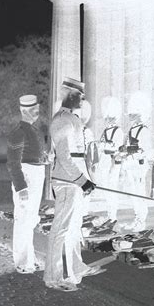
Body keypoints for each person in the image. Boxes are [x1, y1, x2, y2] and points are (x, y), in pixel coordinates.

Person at [44, 78, 105, 292]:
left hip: (74, 181)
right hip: (67, 181)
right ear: (70, 94)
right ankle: (53, 277)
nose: (83, 99)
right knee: (60, 229)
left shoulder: (71, 118)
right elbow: (65, 157)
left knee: (73, 228)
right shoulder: (62, 120)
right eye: (80, 95)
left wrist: (87, 180)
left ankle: (76, 268)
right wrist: (82, 181)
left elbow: (80, 155)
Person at [6, 95, 47, 274]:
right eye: (33, 109)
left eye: (37, 108)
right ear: (23, 111)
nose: (37, 111)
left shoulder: (33, 130)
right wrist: (21, 187)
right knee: (23, 219)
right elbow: (13, 163)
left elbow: (33, 156)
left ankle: (30, 257)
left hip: (36, 175)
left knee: (30, 220)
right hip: (26, 178)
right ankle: (22, 261)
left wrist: (45, 159)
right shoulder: (18, 132)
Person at [118, 91, 154, 232]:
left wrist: (131, 152)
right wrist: (123, 151)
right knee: (134, 194)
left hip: (139, 166)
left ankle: (141, 220)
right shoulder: (131, 129)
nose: (130, 115)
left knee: (139, 193)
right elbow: (127, 147)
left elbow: (145, 150)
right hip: (130, 165)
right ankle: (137, 218)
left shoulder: (144, 130)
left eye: (133, 112)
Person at [98, 96, 124, 223]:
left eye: (111, 118)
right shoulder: (105, 131)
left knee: (112, 189)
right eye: (107, 118)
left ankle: (113, 216)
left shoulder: (118, 131)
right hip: (105, 162)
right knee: (106, 190)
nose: (108, 120)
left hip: (114, 163)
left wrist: (104, 147)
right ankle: (109, 214)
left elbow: (118, 148)